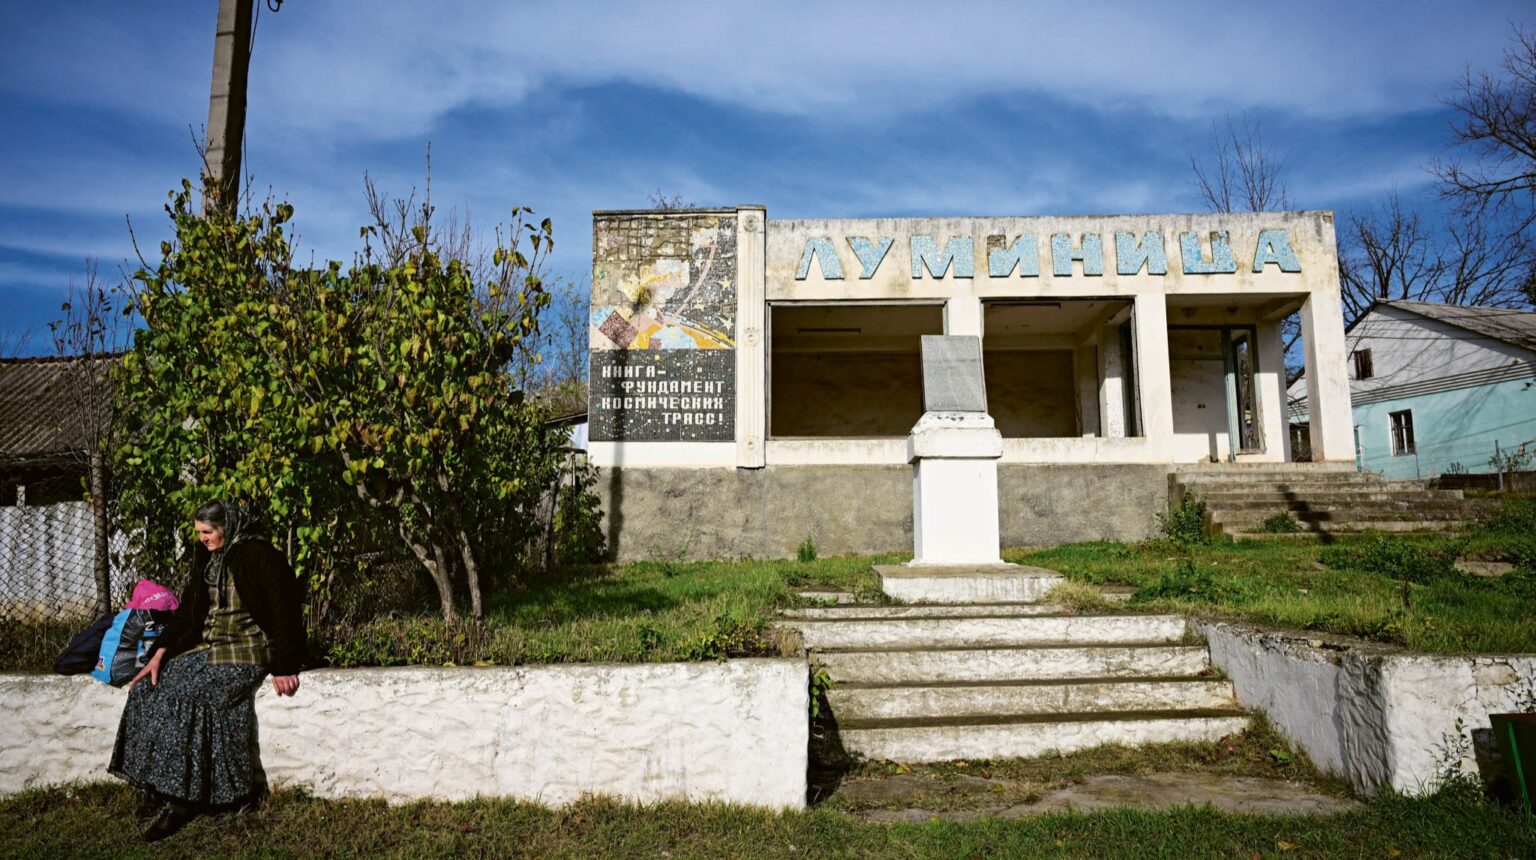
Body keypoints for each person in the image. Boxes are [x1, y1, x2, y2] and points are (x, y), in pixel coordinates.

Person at [108, 501, 307, 841]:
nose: (202, 538)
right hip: (208, 649)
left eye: (208, 532)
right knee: (145, 688)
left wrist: (285, 665)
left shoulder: (258, 555)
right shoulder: (208, 557)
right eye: (199, 532)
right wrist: (160, 653)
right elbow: (188, 611)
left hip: (245, 651)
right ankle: (154, 785)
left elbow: (283, 607)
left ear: (227, 527)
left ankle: (181, 801)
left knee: (189, 695)